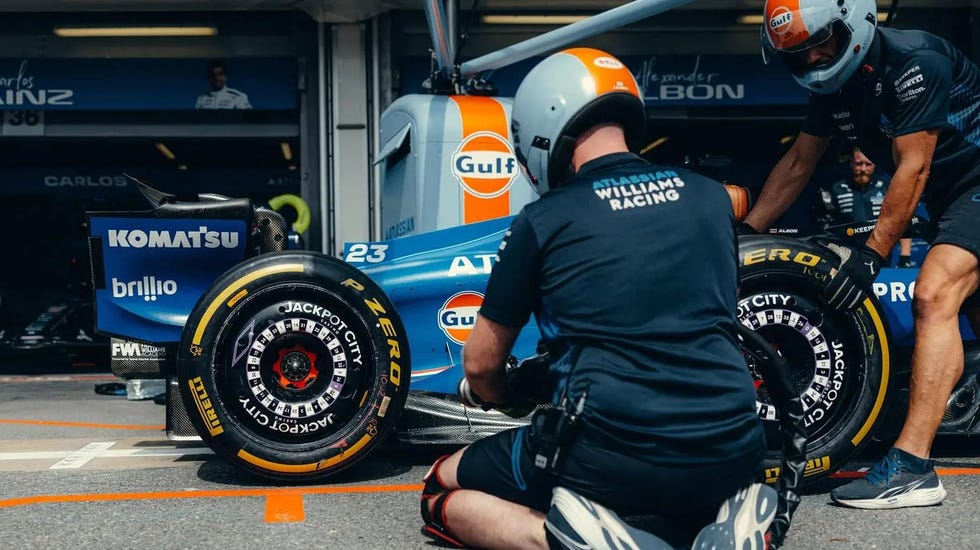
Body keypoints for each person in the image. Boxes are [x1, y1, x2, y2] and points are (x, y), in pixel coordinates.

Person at [419, 47, 774, 550]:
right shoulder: (709, 197)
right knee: (664, 492)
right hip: (734, 446)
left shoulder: (543, 221)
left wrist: (509, 395)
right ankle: (718, 523)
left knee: (439, 488)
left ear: (541, 129)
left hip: (610, 450)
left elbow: (480, 366)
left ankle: (579, 540)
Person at [743, 0, 980, 509]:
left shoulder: (917, 61)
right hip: (952, 196)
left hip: (971, 185)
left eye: (819, 45)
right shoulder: (834, 87)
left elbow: (913, 168)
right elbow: (798, 163)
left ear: (852, 24)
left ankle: (913, 468)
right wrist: (745, 236)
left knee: (934, 292)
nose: (811, 60)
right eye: (797, 54)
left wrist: (872, 254)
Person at [815, 147, 915, 266]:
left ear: (875, 165)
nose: (863, 169)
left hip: (880, 254)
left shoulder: (888, 188)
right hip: (845, 255)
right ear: (851, 163)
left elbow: (902, 220)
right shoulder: (836, 189)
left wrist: (905, 255)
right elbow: (827, 225)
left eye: (868, 164)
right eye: (859, 164)